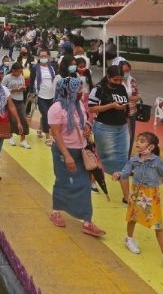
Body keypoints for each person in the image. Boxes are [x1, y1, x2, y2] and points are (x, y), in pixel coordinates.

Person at [112, 132, 163, 271]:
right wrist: (118, 174)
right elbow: (125, 173)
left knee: (158, 225)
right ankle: (129, 239)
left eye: (142, 141)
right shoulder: (134, 160)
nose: (138, 142)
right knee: (132, 218)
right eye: (137, 140)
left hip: (151, 195)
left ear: (151, 147)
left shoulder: (157, 161)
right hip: (136, 194)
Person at [48, 77, 105, 237]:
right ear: (67, 90)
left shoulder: (78, 104)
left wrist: (87, 127)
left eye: (81, 89)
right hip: (63, 152)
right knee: (63, 181)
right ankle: (55, 211)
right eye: (77, 89)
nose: (81, 92)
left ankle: (87, 221)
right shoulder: (56, 108)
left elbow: (84, 122)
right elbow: (56, 134)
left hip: (80, 151)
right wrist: (66, 155)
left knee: (85, 184)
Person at [89, 65, 133, 202]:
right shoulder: (99, 89)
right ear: (108, 77)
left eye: (121, 79)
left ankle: (127, 196)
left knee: (123, 161)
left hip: (122, 127)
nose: (119, 82)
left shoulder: (122, 88)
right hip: (104, 128)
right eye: (115, 80)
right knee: (101, 158)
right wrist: (111, 106)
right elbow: (91, 108)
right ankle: (91, 181)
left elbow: (125, 106)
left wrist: (127, 119)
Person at [30, 53, 57, 144]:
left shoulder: (52, 68)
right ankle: (47, 136)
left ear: (49, 57)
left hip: (52, 96)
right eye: (41, 56)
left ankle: (40, 128)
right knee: (46, 115)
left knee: (47, 115)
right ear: (38, 57)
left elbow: (55, 80)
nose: (43, 58)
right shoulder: (35, 68)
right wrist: (31, 93)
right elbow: (31, 80)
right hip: (40, 95)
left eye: (45, 56)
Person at [2, 63, 31, 149]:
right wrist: (13, 90)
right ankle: (10, 136)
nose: (19, 73)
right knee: (12, 119)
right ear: (13, 70)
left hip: (20, 100)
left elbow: (23, 85)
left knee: (23, 119)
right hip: (11, 100)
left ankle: (23, 139)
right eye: (17, 71)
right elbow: (2, 89)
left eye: (20, 71)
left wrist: (22, 88)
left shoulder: (21, 77)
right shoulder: (7, 77)